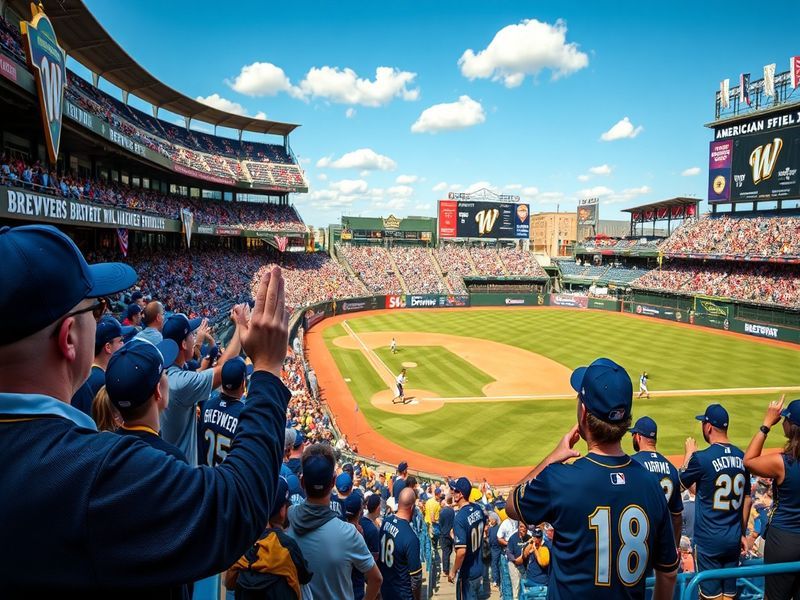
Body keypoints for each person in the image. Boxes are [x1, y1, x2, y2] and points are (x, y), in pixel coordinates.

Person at [0, 223, 291, 596]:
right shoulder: (95, 473)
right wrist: (267, 368)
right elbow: (235, 508)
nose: (105, 318)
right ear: (69, 338)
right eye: (97, 308)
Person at [506, 357, 678, 599]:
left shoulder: (559, 480)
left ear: (584, 412)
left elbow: (512, 504)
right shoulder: (652, 485)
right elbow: (668, 573)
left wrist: (552, 458)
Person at [287, 443, 382, 599]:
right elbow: (376, 579)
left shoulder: (287, 519)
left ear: (302, 482)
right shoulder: (349, 533)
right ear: (333, 483)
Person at [681, 403, 751, 600]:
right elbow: (747, 500)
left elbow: (680, 483)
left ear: (709, 427)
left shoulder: (701, 458)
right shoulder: (742, 457)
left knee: (710, 597)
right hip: (733, 539)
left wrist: (689, 454)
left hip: (708, 542)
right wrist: (742, 533)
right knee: (729, 596)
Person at [161, 311, 242, 466]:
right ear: (183, 344)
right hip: (182, 473)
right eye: (192, 334)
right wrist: (239, 325)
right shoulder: (180, 383)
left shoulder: (168, 371)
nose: (196, 336)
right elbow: (224, 369)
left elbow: (197, 373)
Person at [744, 396, 800, 600]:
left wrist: (766, 424)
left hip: (783, 538)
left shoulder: (782, 463)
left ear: (792, 427)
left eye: (785, 419)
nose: (783, 421)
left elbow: (748, 461)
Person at [225, 476, 314, 600]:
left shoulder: (243, 540)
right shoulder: (287, 545)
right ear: (283, 511)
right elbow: (306, 576)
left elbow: (229, 583)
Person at [106, 338, 187, 463]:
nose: (166, 376)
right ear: (157, 391)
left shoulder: (105, 447)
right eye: (164, 373)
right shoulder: (172, 460)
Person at [629, 416, 683, 545]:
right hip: (663, 541)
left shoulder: (631, 463)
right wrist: (675, 546)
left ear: (638, 437)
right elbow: (677, 516)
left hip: (638, 539)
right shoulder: (671, 468)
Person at [70, 315, 133, 416]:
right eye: (120, 341)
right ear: (108, 347)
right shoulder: (103, 381)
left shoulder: (86, 372)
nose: (123, 344)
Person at [200, 356, 248, 466]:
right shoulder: (244, 414)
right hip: (227, 479)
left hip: (206, 475)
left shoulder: (207, 405)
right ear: (243, 383)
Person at [379, 487, 422, 600]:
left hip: (385, 589)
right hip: (402, 594)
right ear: (412, 507)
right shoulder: (411, 537)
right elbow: (416, 578)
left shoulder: (386, 522)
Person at [448, 476, 486, 599]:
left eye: (455, 491)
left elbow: (461, 552)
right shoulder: (478, 509)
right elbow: (484, 528)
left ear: (460, 495)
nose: (453, 493)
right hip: (479, 568)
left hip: (468, 573)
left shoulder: (459, 518)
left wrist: (453, 571)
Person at [505, 522, 532, 598]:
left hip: (525, 565)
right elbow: (508, 552)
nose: (523, 529)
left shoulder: (529, 538)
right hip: (514, 564)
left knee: (525, 586)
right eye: (521, 527)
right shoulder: (513, 538)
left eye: (525, 527)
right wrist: (515, 560)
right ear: (518, 528)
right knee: (516, 586)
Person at [523, 527, 550, 597]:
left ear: (541, 537)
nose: (536, 539)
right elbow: (525, 555)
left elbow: (543, 563)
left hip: (541, 582)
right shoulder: (531, 544)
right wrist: (530, 544)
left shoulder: (545, 547)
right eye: (535, 537)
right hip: (530, 579)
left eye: (538, 537)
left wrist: (535, 550)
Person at [439, 495, 455, 578]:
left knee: (445, 552)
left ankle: (445, 570)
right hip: (451, 533)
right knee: (449, 552)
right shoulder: (452, 511)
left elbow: (440, 523)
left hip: (444, 534)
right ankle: (448, 568)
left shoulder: (442, 512)